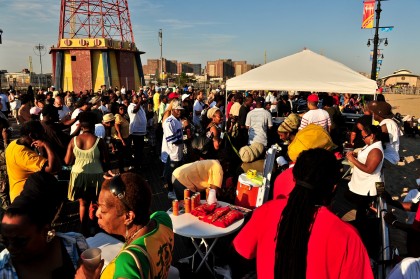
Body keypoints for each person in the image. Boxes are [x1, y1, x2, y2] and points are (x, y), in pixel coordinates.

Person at [233, 148, 373, 279]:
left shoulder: (265, 211)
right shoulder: (348, 237)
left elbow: (242, 252)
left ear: (294, 178)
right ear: (334, 188)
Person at [75, 173, 174, 279]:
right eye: (98, 206)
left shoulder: (128, 264)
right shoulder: (163, 219)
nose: (97, 214)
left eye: (103, 210)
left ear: (128, 217)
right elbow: (142, 204)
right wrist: (121, 183)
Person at [0, 172, 88, 279]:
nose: (10, 247)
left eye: (20, 241)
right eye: (5, 240)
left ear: (45, 230)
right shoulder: (3, 267)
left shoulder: (76, 244)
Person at [64, 111, 109, 235]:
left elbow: (67, 161)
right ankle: (94, 227)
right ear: (94, 125)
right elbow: (105, 161)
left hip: (79, 175)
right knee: (94, 202)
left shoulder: (74, 141)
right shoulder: (99, 141)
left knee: (83, 203)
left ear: (81, 126)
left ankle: (83, 228)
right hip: (96, 175)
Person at [6, 120, 61, 202]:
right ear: (32, 135)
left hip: (17, 194)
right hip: (26, 196)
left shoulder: (13, 144)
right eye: (42, 134)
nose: (44, 137)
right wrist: (47, 145)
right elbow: (53, 169)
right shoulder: (25, 155)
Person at [346, 124, 384, 220]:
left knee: (361, 211)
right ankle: (370, 208)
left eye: (364, 137)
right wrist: (355, 155)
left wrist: (352, 159)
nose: (362, 139)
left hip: (367, 186)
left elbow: (369, 169)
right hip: (362, 184)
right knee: (355, 201)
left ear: (372, 136)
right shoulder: (370, 145)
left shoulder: (376, 150)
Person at [161, 100, 184, 200]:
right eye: (177, 110)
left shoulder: (178, 120)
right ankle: (170, 191)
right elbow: (172, 140)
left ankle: (176, 189)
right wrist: (184, 141)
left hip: (178, 152)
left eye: (180, 110)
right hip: (172, 153)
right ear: (173, 110)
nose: (179, 112)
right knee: (170, 173)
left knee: (178, 172)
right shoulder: (168, 122)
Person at [368, 100, 401, 165]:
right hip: (390, 156)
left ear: (378, 114)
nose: (373, 115)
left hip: (388, 157)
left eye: (374, 113)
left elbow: (383, 141)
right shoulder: (389, 122)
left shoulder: (386, 124)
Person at [128, 94, 147, 170]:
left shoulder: (140, 106)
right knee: (137, 150)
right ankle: (136, 166)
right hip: (135, 132)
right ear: (132, 99)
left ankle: (139, 164)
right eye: (137, 97)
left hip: (141, 132)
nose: (139, 98)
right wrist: (139, 102)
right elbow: (135, 110)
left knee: (140, 149)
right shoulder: (131, 106)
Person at [112, 104, 131, 173]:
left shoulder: (122, 117)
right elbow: (118, 131)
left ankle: (122, 169)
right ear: (118, 110)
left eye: (124, 108)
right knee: (121, 156)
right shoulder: (118, 117)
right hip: (120, 140)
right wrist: (122, 141)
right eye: (121, 109)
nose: (123, 110)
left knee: (123, 156)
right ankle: (121, 170)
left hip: (125, 138)